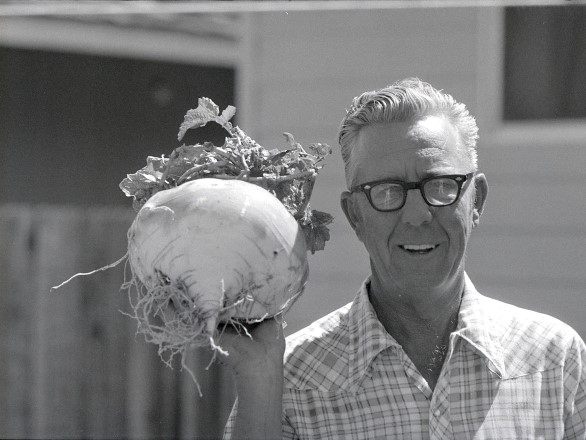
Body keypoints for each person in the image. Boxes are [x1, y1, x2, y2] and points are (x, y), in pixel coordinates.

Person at [220, 78, 586, 439]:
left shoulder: (554, 360)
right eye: (387, 191)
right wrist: (257, 376)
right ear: (355, 216)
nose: (417, 215)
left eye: (441, 185)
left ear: (477, 201)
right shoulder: (287, 383)